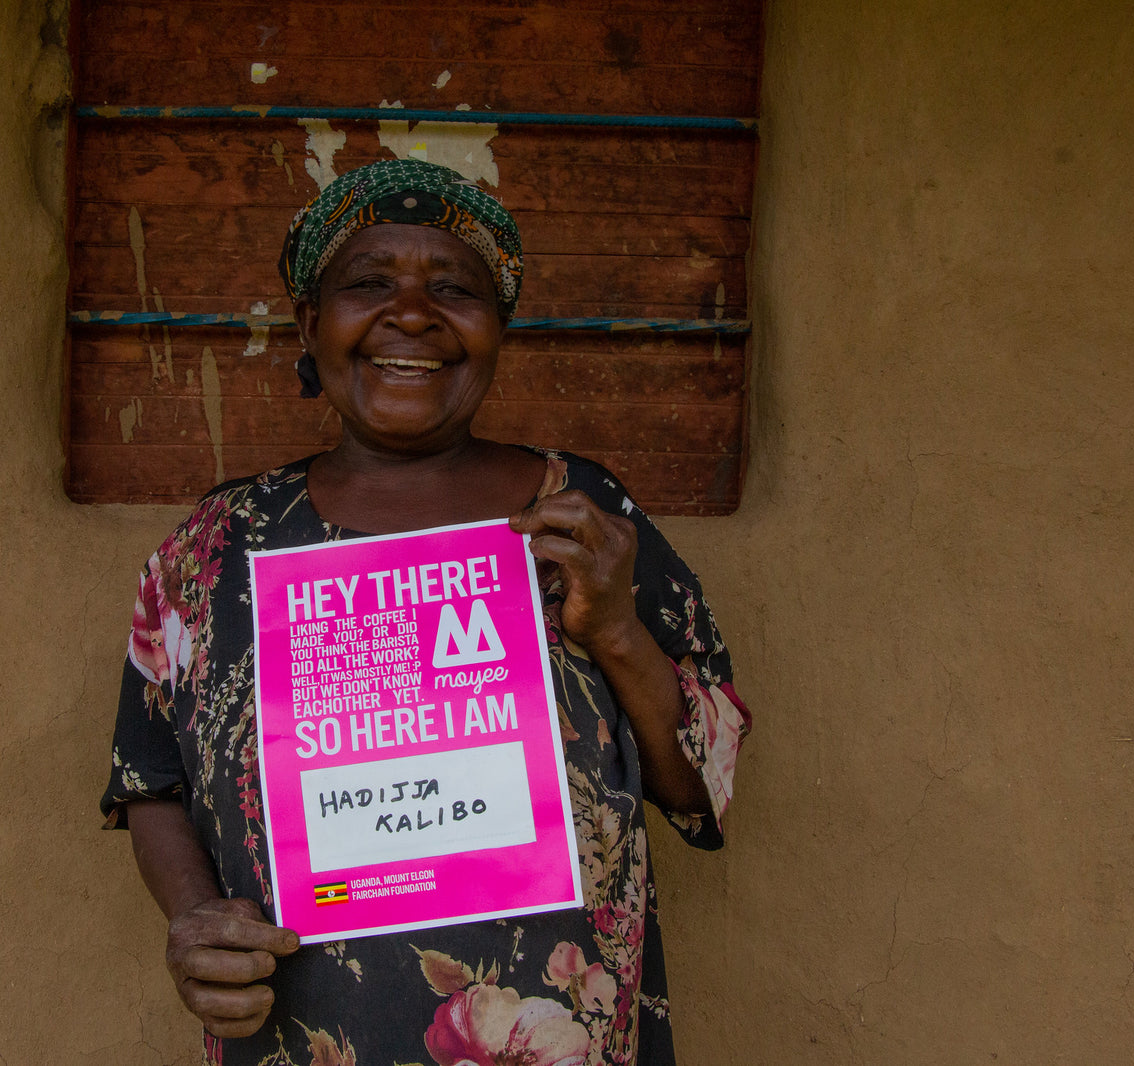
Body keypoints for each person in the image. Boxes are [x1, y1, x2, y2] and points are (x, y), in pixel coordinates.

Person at [101, 159, 751, 1066]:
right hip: (303, 1037)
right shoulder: (216, 551)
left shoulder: (585, 519)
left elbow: (695, 790)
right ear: (307, 325)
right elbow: (150, 777)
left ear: (498, 330)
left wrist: (612, 629)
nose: (411, 313)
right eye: (368, 283)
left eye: (455, 287)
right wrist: (194, 920)